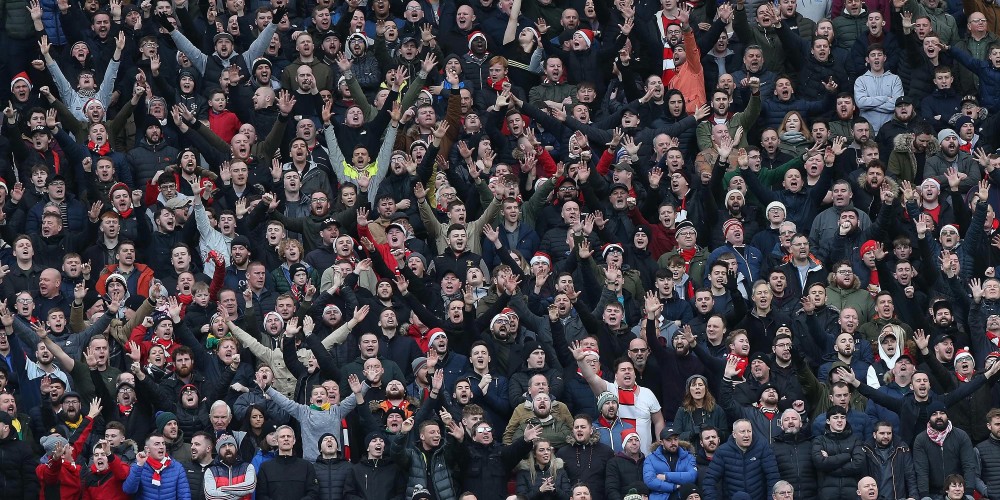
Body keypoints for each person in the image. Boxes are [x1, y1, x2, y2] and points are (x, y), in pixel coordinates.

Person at [704, 419, 780, 500]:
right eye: (742, 432)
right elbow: (709, 481)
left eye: (749, 431)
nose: (746, 435)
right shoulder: (722, 451)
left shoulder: (762, 447)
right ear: (734, 434)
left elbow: (773, 477)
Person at [255, 426, 320, 500]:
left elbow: (313, 492)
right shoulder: (265, 467)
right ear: (276, 441)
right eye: (282, 437)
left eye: (289, 436)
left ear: (294, 440)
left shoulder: (307, 466)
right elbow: (261, 495)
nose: (286, 439)